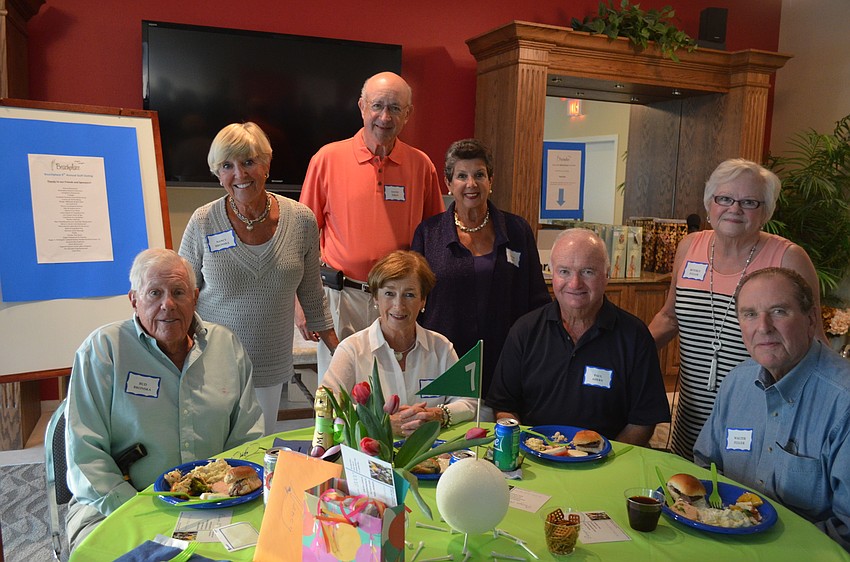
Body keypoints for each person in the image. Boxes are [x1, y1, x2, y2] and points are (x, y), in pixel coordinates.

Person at [65, 249, 263, 550]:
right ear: (134, 299)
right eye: (154, 293)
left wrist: (227, 496)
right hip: (117, 504)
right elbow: (85, 457)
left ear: (194, 297)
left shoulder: (227, 347)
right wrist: (140, 512)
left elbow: (249, 438)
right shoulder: (103, 352)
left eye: (178, 292)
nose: (167, 304)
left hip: (214, 504)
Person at [649, 158, 823, 459]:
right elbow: (669, 316)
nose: (734, 209)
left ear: (766, 211)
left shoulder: (788, 258)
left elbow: (814, 341)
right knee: (688, 493)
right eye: (725, 198)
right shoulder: (689, 248)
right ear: (709, 203)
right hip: (690, 414)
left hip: (758, 418)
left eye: (749, 202)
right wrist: (621, 354)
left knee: (742, 496)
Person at [179, 122, 338, 435]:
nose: (240, 175)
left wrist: (339, 347)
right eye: (227, 165)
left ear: (266, 164)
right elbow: (183, 290)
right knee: (213, 449)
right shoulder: (203, 221)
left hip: (269, 360)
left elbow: (310, 290)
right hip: (212, 362)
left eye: (249, 162)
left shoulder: (301, 220)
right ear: (217, 171)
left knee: (258, 447)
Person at [297, 71, 444, 381]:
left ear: (408, 114)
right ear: (362, 107)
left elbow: (435, 237)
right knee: (338, 392)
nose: (384, 116)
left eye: (395, 108)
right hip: (341, 298)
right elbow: (300, 241)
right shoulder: (327, 159)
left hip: (398, 302)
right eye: (377, 106)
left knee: (393, 389)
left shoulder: (421, 165)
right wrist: (302, 304)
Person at [694, 268, 850, 552]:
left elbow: (847, 529)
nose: (763, 327)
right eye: (750, 314)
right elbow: (707, 466)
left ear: (811, 319)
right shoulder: (736, 383)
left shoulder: (843, 402)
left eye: (778, 311)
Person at [486, 229, 670, 446]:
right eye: (564, 271)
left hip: (607, 465)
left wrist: (607, 458)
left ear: (606, 275)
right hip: (535, 461)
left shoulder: (635, 337)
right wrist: (524, 446)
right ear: (551, 275)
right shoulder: (525, 331)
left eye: (587, 272)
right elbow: (503, 406)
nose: (575, 284)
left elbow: (643, 422)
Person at [412, 139, 550, 399]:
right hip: (445, 362)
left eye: (479, 175)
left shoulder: (517, 230)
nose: (471, 184)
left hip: (507, 360)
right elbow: (414, 299)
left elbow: (537, 300)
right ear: (448, 184)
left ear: (491, 181)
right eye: (462, 176)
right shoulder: (428, 234)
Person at [321, 251, 476, 437]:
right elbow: (327, 405)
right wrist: (379, 423)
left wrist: (439, 414)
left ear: (423, 300)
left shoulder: (441, 347)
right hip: (370, 457)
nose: (398, 305)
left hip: (432, 456)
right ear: (375, 298)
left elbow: (468, 402)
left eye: (409, 295)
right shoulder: (352, 349)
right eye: (389, 293)